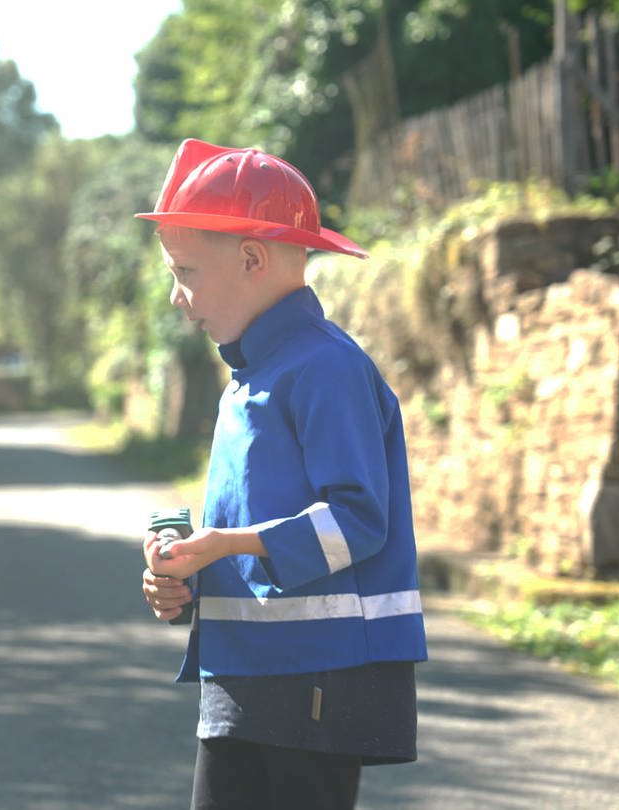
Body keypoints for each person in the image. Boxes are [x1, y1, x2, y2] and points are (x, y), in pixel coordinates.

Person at [134, 139, 427, 809]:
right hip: (245, 671)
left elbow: (358, 522)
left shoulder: (325, 368)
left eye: (185, 272)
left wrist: (227, 545)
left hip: (319, 675)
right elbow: (256, 532)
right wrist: (184, 571)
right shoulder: (251, 375)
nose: (178, 298)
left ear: (252, 258)